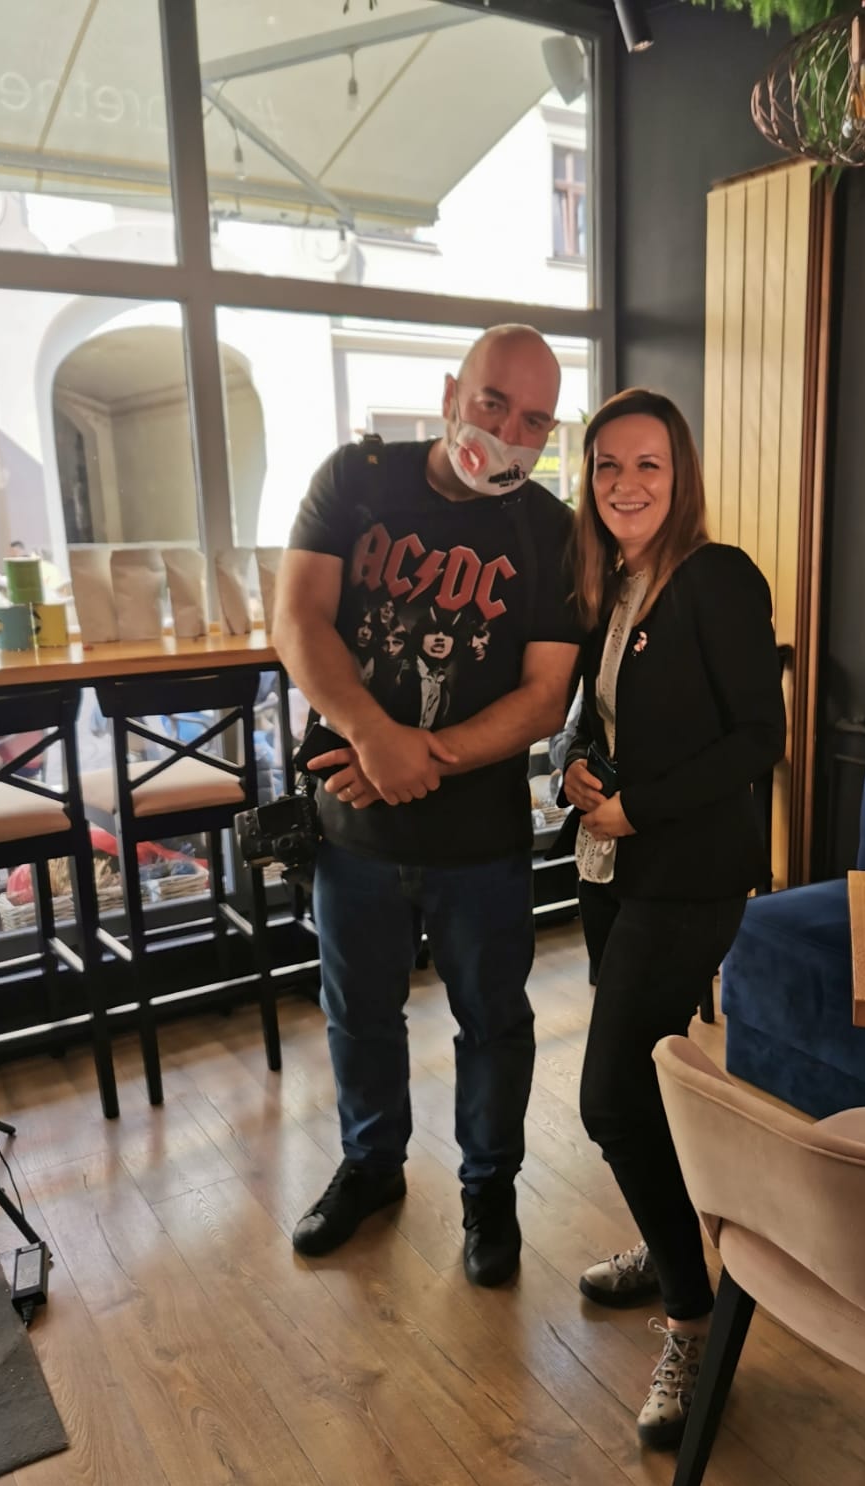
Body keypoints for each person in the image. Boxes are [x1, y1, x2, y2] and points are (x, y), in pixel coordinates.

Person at [273, 324, 581, 1286]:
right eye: (493, 403)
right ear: (451, 395)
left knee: (494, 1024)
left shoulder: (552, 531)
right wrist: (372, 733)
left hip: (480, 840)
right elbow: (297, 618)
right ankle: (371, 1168)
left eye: (535, 421)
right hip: (352, 828)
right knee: (358, 1013)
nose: (508, 434)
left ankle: (490, 1190)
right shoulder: (356, 479)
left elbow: (545, 697)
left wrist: (412, 758)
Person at [561, 388, 785, 1447]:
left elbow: (758, 741)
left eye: (647, 463)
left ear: (680, 474)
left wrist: (637, 806)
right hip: (610, 867)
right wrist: (573, 766)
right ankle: (668, 1245)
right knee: (648, 1081)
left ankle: (694, 1322)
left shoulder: (717, 577)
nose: (625, 484)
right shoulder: (611, 585)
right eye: (607, 465)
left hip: (689, 875)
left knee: (607, 1098)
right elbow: (600, 716)